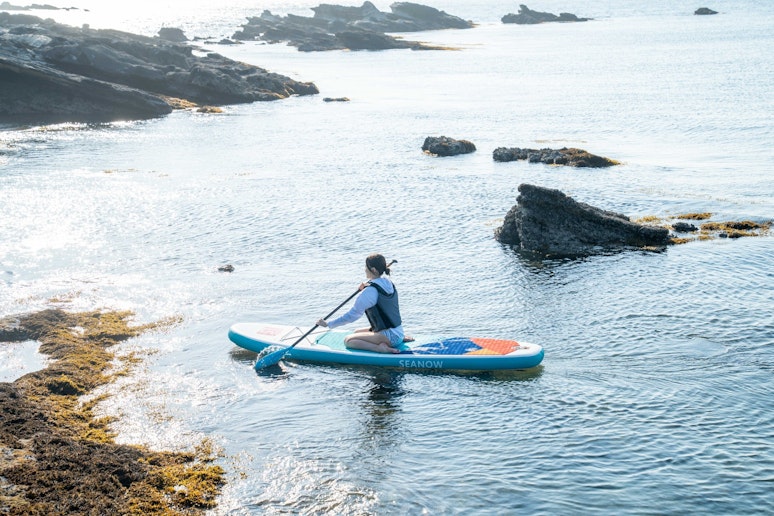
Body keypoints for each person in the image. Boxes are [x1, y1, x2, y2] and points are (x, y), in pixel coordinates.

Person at [317, 253, 405, 354]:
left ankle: (380, 348)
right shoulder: (388, 283)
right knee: (356, 332)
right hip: (398, 332)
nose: (364, 269)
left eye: (366, 267)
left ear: (373, 270)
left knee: (349, 340)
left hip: (390, 337)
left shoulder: (369, 291)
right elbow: (377, 285)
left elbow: (352, 315)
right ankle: (398, 338)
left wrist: (329, 324)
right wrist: (368, 285)